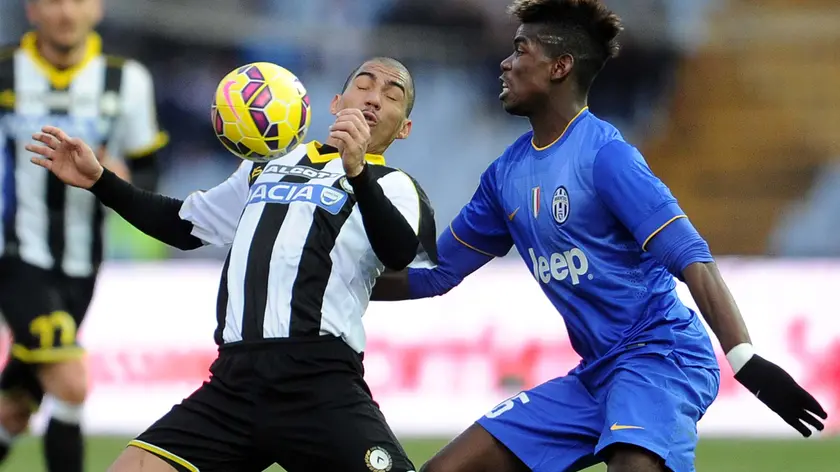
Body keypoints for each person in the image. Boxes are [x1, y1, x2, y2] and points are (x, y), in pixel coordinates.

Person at [371, 1, 827, 471]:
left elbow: (692, 258)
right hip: (594, 376)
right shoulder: (504, 176)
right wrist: (323, 282)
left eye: (520, 50)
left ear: (560, 67)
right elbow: (435, 273)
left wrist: (746, 360)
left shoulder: (606, 157)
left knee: (632, 462)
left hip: (660, 356)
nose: (505, 62)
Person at [28, 57, 436, 472]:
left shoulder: (395, 186)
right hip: (234, 383)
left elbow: (399, 251)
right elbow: (184, 225)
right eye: (364, 84)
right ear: (335, 103)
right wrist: (101, 181)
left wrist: (359, 173)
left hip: (318, 381)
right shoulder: (265, 168)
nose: (374, 97)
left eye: (392, 95)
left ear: (403, 127)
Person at [0, 0, 166, 471]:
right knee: (71, 382)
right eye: (53, 0)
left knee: (14, 410)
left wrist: (117, 176)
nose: (66, 12)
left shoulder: (127, 80)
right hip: (15, 256)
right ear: (32, 9)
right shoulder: (5, 71)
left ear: (99, 7)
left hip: (83, 266)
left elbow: (149, 170)